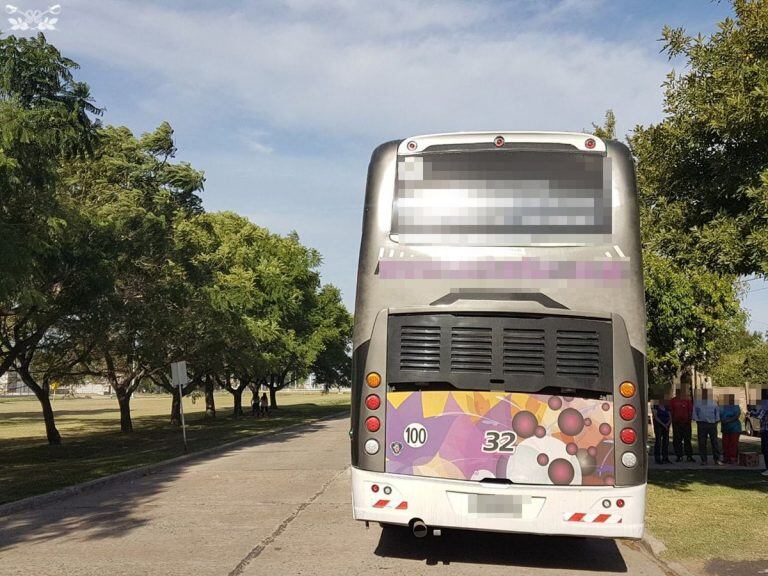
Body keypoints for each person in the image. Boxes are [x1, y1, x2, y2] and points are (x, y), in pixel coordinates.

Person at [694, 388, 721, 465]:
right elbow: (694, 412)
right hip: (702, 424)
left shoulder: (713, 403)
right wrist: (697, 421)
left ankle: (717, 459)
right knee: (702, 442)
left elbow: (717, 412)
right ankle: (704, 460)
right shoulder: (697, 403)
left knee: (714, 442)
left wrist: (716, 421)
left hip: (712, 424)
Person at [669, 386, 694, 462]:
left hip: (686, 423)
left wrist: (689, 420)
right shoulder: (673, 401)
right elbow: (671, 411)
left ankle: (689, 456)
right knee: (677, 440)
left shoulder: (687, 400)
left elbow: (690, 410)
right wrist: (673, 420)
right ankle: (679, 456)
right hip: (676, 423)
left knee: (687, 440)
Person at [719, 394, 741, 465]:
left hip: (734, 428)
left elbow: (737, 415)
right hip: (725, 428)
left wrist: (728, 420)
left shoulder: (735, 406)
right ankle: (726, 458)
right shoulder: (722, 406)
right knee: (725, 444)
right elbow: (719, 414)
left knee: (733, 443)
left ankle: (733, 458)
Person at [652, 398, 672, 464]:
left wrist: (668, 423)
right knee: (658, 441)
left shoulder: (667, 407)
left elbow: (670, 416)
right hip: (659, 426)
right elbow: (655, 416)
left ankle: (665, 458)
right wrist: (663, 424)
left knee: (665, 442)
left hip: (666, 426)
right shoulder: (655, 406)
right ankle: (657, 458)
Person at [757, 388, 768, 476]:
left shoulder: (765, 403)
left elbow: (759, 415)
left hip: (766, 430)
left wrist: (750, 413)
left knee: (766, 450)